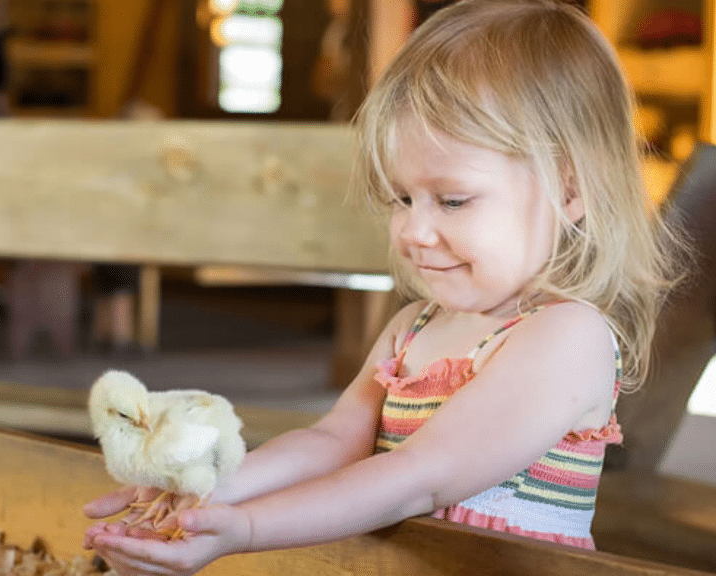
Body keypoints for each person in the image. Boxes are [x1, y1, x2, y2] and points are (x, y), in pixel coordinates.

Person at [82, 0, 687, 572]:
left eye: (451, 200)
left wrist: (243, 530)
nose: (413, 230)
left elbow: (421, 476)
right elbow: (332, 441)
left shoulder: (564, 336)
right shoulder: (413, 328)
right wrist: (203, 493)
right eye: (403, 198)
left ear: (571, 189)